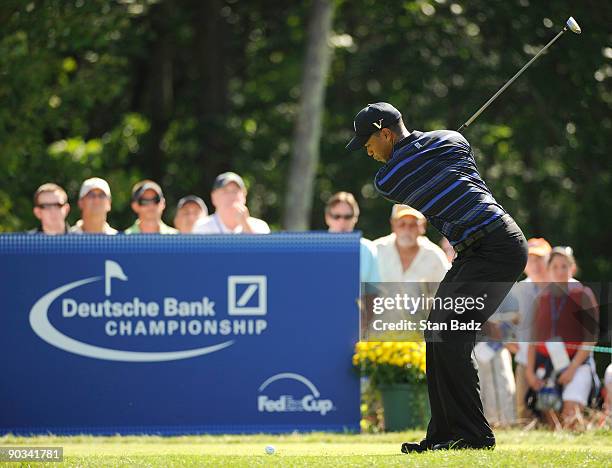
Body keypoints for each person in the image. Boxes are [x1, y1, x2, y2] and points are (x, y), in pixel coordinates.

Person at [346, 102, 528, 451]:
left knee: (450, 332)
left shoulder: (389, 177)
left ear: (386, 133)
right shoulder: (447, 141)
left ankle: (473, 436)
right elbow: (453, 143)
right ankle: (446, 434)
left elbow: (410, 163)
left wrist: (421, 148)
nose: (367, 151)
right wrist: (430, 143)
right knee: (439, 332)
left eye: (368, 142)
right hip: (475, 251)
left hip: (498, 245)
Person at [526, 246, 599, 429]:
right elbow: (532, 340)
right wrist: (529, 372)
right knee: (553, 423)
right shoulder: (541, 298)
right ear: (548, 270)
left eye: (564, 266)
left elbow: (591, 338)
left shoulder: (583, 295)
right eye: (555, 267)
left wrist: (572, 369)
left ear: (572, 269)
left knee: (569, 419)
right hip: (547, 367)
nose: (559, 271)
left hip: (577, 365)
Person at [510, 238, 552, 422]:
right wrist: (511, 345)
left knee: (550, 410)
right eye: (530, 259)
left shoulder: (561, 286)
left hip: (555, 361)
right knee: (523, 411)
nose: (534, 264)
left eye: (539, 259)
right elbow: (504, 326)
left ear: (548, 261)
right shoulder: (518, 290)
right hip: (524, 360)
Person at [373, 204, 449, 283]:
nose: (407, 230)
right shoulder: (376, 250)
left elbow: (448, 290)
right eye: (402, 224)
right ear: (393, 225)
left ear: (422, 226)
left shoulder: (435, 256)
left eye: (413, 225)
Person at [325, 191, 380, 284]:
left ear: (355, 218)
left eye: (348, 216)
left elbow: (374, 291)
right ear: (327, 218)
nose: (342, 221)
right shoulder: (313, 248)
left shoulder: (368, 249)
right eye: (337, 216)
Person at [192, 172, 270, 234]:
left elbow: (261, 253)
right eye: (225, 191)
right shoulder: (202, 227)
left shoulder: (260, 227)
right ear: (214, 197)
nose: (231, 196)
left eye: (235, 191)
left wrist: (246, 226)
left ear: (244, 196)